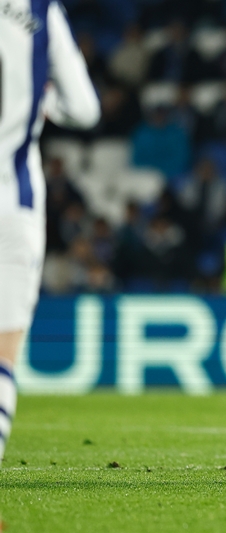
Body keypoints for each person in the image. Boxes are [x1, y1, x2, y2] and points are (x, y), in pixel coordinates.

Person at [0, 0, 101, 462]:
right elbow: (83, 109)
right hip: (11, 199)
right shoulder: (39, 9)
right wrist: (40, 102)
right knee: (3, 354)